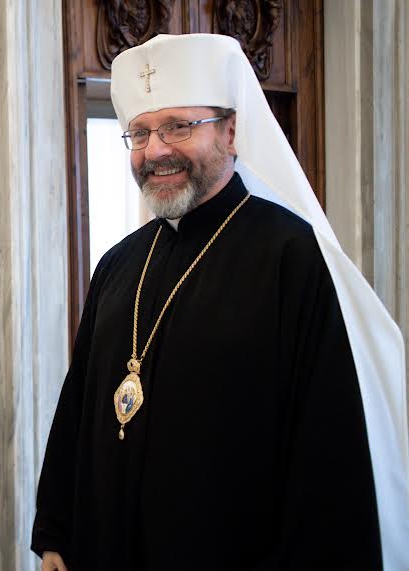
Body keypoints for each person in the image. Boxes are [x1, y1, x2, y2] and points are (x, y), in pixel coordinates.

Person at [32, 34, 409, 570]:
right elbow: (78, 408)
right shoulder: (118, 264)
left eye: (178, 127)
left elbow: (327, 448)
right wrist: (56, 532)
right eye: (140, 133)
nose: (155, 151)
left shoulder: (292, 257)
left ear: (231, 132)